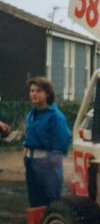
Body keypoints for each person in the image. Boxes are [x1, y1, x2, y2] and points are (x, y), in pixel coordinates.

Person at [23, 77, 72, 208]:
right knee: (34, 203)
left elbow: (62, 141)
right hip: (30, 163)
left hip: (48, 165)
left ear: (47, 94)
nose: (33, 94)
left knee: (51, 202)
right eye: (31, 90)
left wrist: (50, 164)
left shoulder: (56, 116)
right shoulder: (31, 115)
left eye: (38, 91)